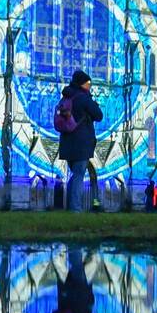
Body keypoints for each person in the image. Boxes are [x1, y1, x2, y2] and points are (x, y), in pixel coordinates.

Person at [55, 70, 104, 212]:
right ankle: (75, 208)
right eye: (88, 83)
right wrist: (93, 103)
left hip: (67, 143)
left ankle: (71, 206)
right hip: (81, 143)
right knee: (78, 175)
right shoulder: (83, 98)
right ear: (82, 84)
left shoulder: (65, 98)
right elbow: (98, 115)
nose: (90, 86)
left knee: (75, 174)